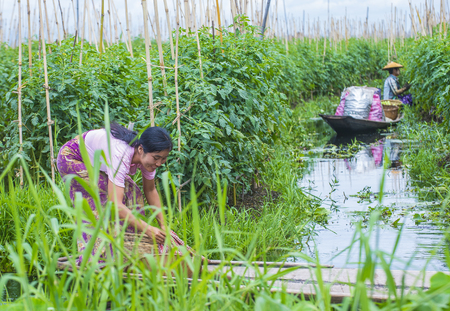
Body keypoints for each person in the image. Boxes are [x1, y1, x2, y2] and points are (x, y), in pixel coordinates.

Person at [57, 123, 199, 274]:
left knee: (133, 192)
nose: (158, 163)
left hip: (97, 163)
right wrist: (148, 228)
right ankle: (94, 257)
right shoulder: (121, 153)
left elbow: (150, 190)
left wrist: (164, 226)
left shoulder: (147, 160)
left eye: (163, 159)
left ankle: (131, 247)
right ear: (141, 149)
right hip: (73, 158)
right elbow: (115, 204)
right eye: (156, 158)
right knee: (101, 196)